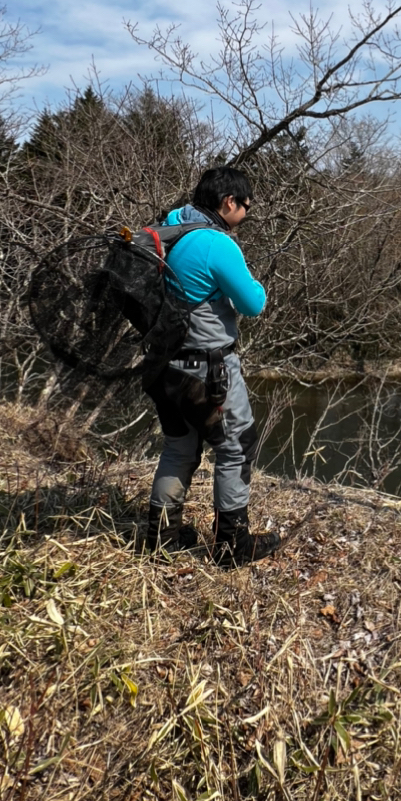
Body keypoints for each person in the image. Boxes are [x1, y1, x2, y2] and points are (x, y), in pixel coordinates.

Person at [143, 165, 280, 566]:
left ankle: (160, 535)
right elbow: (253, 303)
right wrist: (253, 286)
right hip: (208, 370)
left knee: (180, 445)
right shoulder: (216, 244)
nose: (247, 215)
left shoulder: (169, 230)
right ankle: (231, 545)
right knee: (237, 446)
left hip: (165, 366)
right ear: (228, 202)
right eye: (246, 207)